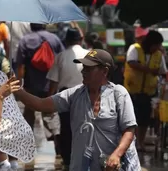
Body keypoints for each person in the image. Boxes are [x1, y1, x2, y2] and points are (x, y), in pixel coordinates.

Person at [15, 49, 141, 170]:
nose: (83, 71)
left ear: (105, 71)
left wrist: (117, 155)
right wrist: (17, 90)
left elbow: (129, 129)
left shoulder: (119, 94)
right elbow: (41, 104)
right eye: (83, 67)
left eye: (89, 68)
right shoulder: (74, 94)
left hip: (111, 167)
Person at [46, 28, 89, 169]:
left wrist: (49, 102)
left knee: (66, 128)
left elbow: (53, 82)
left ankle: (68, 159)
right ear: (81, 40)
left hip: (66, 96)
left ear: (66, 41)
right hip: (86, 95)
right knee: (85, 126)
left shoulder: (61, 56)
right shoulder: (89, 54)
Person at [124, 30, 167, 151]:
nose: (158, 48)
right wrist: (149, 70)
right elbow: (131, 63)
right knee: (131, 119)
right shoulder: (135, 48)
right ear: (150, 43)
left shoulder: (159, 55)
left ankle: (140, 143)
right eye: (157, 45)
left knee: (144, 120)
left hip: (149, 93)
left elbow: (163, 71)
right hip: (132, 91)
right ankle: (130, 143)